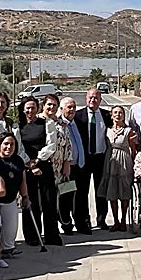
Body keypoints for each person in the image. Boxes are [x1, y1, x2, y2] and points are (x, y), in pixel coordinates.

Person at [19, 96, 65, 246]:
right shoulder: (17, 126)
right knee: (31, 201)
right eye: (28, 108)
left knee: (49, 201)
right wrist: (29, 163)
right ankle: (33, 235)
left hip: (44, 164)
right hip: (27, 166)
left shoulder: (47, 123)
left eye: (33, 107)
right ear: (23, 109)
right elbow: (18, 146)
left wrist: (38, 160)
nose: (30, 111)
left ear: (37, 108)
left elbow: (51, 145)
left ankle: (51, 235)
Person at [73, 88, 112, 231]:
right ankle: (84, 222)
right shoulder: (78, 116)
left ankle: (102, 220)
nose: (92, 100)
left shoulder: (106, 115)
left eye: (96, 98)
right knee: (82, 192)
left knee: (101, 191)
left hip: (100, 158)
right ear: (86, 98)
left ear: (100, 100)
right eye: (90, 97)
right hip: (84, 158)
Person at [102, 105, 138, 232]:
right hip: (110, 161)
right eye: (115, 113)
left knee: (124, 192)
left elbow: (133, 149)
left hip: (124, 161)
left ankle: (123, 220)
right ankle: (115, 221)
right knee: (112, 192)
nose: (118, 115)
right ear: (111, 115)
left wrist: (132, 163)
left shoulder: (128, 131)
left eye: (121, 113)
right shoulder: (107, 130)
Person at [0, 134, 27, 256]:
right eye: (6, 144)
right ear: (0, 145)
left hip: (10, 199)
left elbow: (23, 181)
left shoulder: (18, 160)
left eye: (12, 144)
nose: (9, 147)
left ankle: (7, 249)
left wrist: (25, 196)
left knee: (11, 227)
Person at [57, 96, 87, 234]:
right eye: (69, 107)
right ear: (62, 109)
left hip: (80, 166)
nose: (72, 110)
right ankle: (66, 225)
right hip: (66, 168)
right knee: (66, 199)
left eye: (74, 107)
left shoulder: (78, 123)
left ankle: (81, 224)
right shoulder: (58, 125)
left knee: (80, 198)